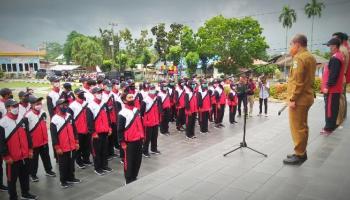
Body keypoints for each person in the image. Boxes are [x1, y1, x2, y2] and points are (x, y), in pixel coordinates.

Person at [283, 34, 316, 165]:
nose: (290, 47)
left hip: (299, 99)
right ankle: (300, 150)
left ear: (297, 44)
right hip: (306, 97)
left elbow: (298, 81)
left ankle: (300, 154)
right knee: (302, 125)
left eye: (291, 44)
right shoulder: (310, 56)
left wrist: (292, 98)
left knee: (297, 127)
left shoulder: (299, 58)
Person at [0, 99, 37, 200]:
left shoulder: (23, 119)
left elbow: (28, 136)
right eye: (13, 106)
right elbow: (1, 143)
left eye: (16, 106)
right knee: (12, 180)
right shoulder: (2, 123)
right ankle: (13, 197)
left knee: (25, 176)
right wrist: (6, 156)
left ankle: (25, 193)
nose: (15, 108)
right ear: (7, 108)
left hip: (25, 155)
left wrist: (30, 149)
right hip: (12, 158)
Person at [50, 99, 81, 188]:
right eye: (62, 105)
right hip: (62, 147)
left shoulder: (69, 116)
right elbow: (53, 136)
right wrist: (57, 147)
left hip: (72, 145)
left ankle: (71, 178)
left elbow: (74, 130)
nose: (65, 106)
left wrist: (76, 141)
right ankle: (63, 181)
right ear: (58, 107)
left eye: (66, 104)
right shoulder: (54, 119)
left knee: (71, 163)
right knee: (63, 165)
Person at [25, 95, 56, 182]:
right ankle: (33, 174)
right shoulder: (27, 116)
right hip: (34, 142)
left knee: (46, 157)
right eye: (37, 103)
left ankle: (48, 170)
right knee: (34, 160)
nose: (39, 105)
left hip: (44, 140)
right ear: (31, 104)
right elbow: (26, 131)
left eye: (40, 103)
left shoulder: (43, 112)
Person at [117, 92, 144, 184]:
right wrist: (122, 142)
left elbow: (140, 124)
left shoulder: (137, 110)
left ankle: (134, 176)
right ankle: (128, 179)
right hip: (129, 142)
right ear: (124, 100)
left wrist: (142, 136)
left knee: (138, 160)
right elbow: (120, 130)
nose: (132, 99)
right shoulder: (122, 113)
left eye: (132, 97)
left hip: (139, 140)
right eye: (129, 97)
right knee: (129, 161)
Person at [321, 38, 345, 135]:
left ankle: (328, 128)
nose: (329, 48)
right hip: (334, 89)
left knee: (330, 109)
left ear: (334, 46)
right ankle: (330, 126)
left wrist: (327, 86)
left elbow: (333, 74)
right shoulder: (339, 56)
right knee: (332, 108)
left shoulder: (336, 58)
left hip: (332, 89)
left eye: (330, 46)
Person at [87, 87, 113, 176]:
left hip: (105, 131)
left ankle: (104, 165)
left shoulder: (104, 104)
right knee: (96, 151)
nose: (100, 94)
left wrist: (109, 128)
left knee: (104, 150)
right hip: (96, 133)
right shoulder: (90, 106)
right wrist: (93, 132)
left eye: (101, 93)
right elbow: (89, 121)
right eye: (98, 93)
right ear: (94, 94)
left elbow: (108, 117)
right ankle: (97, 168)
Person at [68, 89, 92, 169]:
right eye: (80, 94)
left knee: (87, 146)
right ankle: (79, 161)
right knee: (78, 147)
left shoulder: (87, 104)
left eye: (82, 94)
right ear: (76, 95)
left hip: (87, 129)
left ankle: (86, 159)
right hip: (78, 130)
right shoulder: (72, 106)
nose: (82, 95)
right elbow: (70, 119)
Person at [140, 85, 161, 157]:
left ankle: (153, 149)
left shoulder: (156, 99)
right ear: (149, 91)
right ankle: (144, 151)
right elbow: (142, 112)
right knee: (147, 137)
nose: (153, 91)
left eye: (154, 90)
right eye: (151, 90)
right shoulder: (145, 100)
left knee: (155, 136)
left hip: (155, 121)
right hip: (148, 122)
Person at [101, 80, 119, 160]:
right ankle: (107, 153)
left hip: (113, 118)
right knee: (107, 137)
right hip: (107, 119)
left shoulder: (111, 94)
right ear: (103, 86)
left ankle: (111, 152)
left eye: (110, 86)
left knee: (113, 136)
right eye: (107, 86)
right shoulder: (102, 95)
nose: (109, 87)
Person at [0, 88, 12, 192]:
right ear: (6, 95)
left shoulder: (7, 103)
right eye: (10, 94)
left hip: (8, 134)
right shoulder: (1, 105)